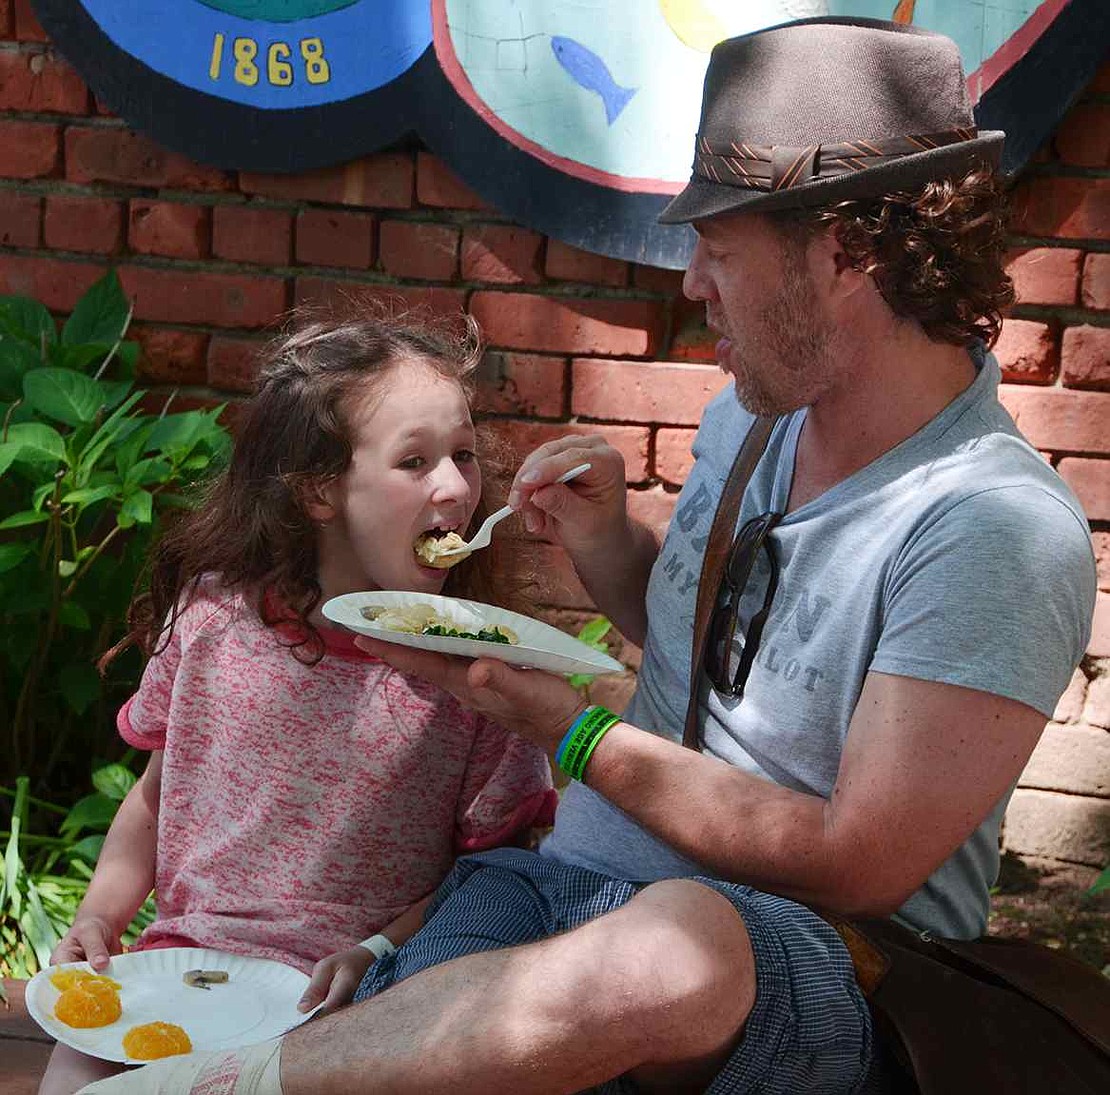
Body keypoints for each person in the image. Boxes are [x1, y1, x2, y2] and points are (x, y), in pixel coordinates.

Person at [80, 17, 1097, 1095]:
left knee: (681, 944)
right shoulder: (750, 420)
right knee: (425, 1000)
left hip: (805, 965)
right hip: (563, 888)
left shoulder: (990, 528)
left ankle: (207, 1091)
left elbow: (860, 860)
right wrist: (612, 547)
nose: (693, 282)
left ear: (846, 251)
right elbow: (722, 667)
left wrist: (570, 730)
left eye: (721, 248)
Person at [40, 312, 556, 1095]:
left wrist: (381, 950)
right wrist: (100, 918)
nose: (455, 484)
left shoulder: (479, 680)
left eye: (462, 455)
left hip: (353, 1004)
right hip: (179, 979)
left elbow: (494, 873)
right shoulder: (213, 618)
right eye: (414, 461)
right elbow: (152, 799)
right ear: (321, 488)